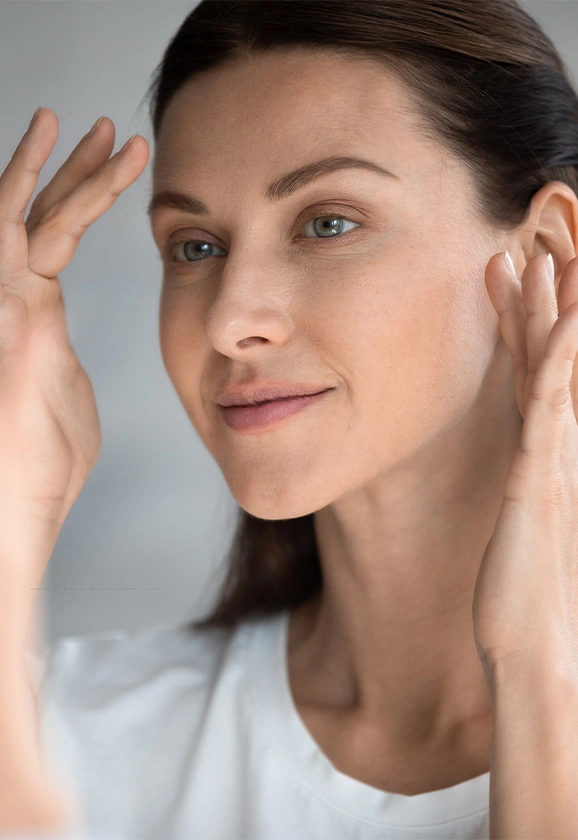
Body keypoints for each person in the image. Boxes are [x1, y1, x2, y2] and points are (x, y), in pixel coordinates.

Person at [2, 0, 578, 838]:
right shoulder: (65, 735)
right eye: (195, 245)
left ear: (546, 253)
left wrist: (540, 683)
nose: (230, 319)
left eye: (328, 223)